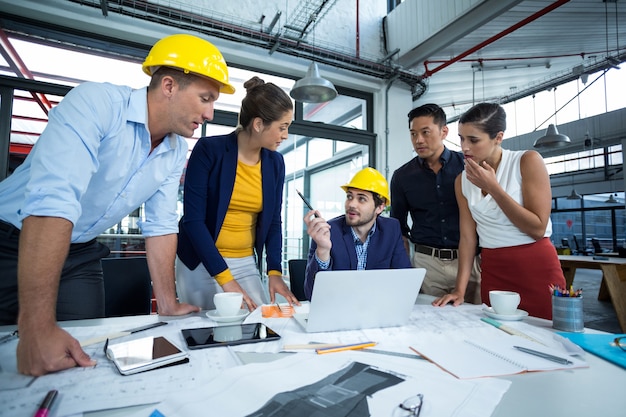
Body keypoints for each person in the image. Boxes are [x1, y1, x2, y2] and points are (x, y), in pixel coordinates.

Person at [0, 33, 235, 375]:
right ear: (168, 85)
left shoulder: (175, 151)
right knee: (21, 356)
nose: (210, 113)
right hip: (9, 241)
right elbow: (53, 202)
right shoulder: (95, 104)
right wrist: (36, 326)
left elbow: (161, 225)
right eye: (205, 98)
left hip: (78, 252)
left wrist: (167, 303)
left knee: (81, 357)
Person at [176, 76, 300, 312]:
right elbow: (193, 221)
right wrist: (225, 279)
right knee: (204, 330)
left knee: (258, 321)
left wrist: (274, 271)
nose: (285, 135)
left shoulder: (275, 163)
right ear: (258, 124)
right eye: (282, 127)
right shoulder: (209, 151)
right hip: (200, 261)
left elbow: (273, 221)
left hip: (244, 262)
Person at [432, 103, 566, 319]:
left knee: (549, 338)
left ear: (498, 137)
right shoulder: (461, 181)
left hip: (535, 265)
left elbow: (537, 228)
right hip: (493, 268)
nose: (464, 147)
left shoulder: (527, 161)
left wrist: (494, 188)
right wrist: (459, 289)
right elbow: (467, 239)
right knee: (498, 337)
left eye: (473, 140)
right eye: (461, 138)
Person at [390, 104, 481, 304]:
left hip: (470, 262)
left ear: (444, 132)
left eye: (425, 132)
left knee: (475, 322)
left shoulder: (468, 167)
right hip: (427, 264)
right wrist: (404, 271)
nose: (418, 140)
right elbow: (399, 228)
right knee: (430, 323)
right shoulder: (402, 177)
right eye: (413, 134)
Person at [303, 167, 411, 299]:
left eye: (362, 199)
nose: (351, 204)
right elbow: (312, 295)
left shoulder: (391, 229)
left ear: (380, 207)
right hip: (338, 311)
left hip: (376, 310)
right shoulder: (326, 232)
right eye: (349, 196)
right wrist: (323, 251)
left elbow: (404, 282)